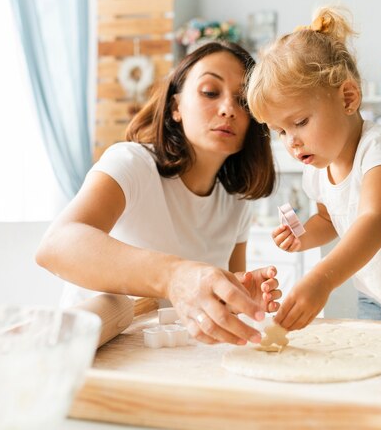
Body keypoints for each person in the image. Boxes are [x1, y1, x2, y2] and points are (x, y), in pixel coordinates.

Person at [36, 41, 280, 346]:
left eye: (243, 101)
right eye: (209, 92)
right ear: (176, 107)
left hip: (165, 360)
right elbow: (56, 246)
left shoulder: (236, 204)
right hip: (85, 352)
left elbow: (212, 304)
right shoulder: (131, 164)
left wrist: (239, 299)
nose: (228, 109)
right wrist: (173, 275)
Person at [246, 6, 381, 330]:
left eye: (300, 122)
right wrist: (302, 236)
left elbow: (375, 222)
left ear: (348, 98)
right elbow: (328, 219)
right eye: (281, 131)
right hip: (376, 294)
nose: (292, 142)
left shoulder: (379, 150)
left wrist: (322, 278)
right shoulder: (316, 171)